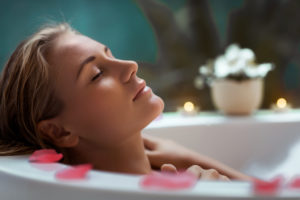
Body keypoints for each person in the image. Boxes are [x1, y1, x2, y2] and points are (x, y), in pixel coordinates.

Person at [0, 23, 252, 181]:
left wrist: (187, 158)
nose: (130, 65)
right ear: (59, 130)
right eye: (96, 74)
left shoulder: (180, 169)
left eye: (110, 55)